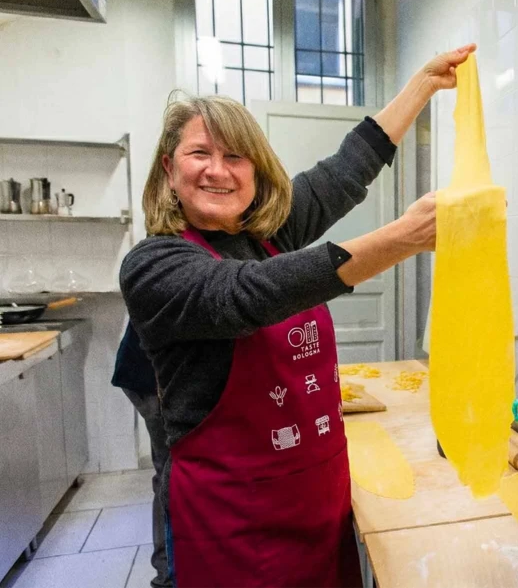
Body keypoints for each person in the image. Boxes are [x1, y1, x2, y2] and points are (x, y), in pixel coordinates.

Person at [120, 44, 476, 588]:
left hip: (314, 506)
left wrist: (422, 86)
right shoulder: (153, 264)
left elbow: (343, 173)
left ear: (256, 173)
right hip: (230, 524)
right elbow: (247, 295)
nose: (218, 170)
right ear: (169, 169)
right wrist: (403, 239)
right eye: (199, 154)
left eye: (236, 157)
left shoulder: (267, 236)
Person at [110, 322, 171, 588]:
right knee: (172, 472)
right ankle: (167, 575)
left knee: (170, 471)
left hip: (157, 372)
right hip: (153, 378)